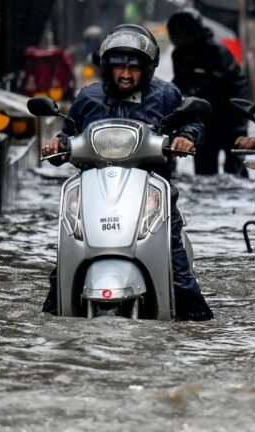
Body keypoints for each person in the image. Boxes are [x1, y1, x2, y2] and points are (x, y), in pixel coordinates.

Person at [41, 24, 214, 321]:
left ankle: (196, 324)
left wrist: (186, 137)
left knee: (181, 277)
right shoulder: (88, 98)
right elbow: (69, 135)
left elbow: (191, 123)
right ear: (106, 67)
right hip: (95, 195)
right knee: (61, 277)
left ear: (146, 69)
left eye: (133, 68)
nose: (125, 74)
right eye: (118, 66)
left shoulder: (166, 95)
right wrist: (57, 144)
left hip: (149, 194)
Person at [167, 7, 251, 176]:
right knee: (204, 169)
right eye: (177, 34)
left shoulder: (218, 52)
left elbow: (230, 85)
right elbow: (180, 83)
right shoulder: (178, 54)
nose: (181, 38)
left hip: (230, 117)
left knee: (236, 168)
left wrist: (240, 121)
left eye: (185, 33)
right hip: (203, 120)